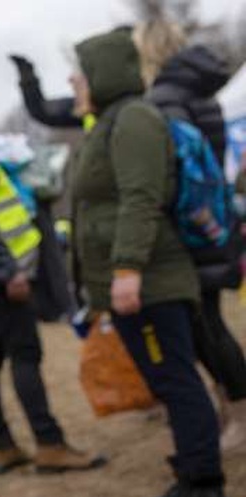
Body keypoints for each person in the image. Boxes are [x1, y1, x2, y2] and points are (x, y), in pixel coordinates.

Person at [71, 29, 225, 497]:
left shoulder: (134, 118)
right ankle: (192, 470)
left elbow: (141, 197)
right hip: (142, 279)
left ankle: (203, 483)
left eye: (81, 75)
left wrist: (127, 270)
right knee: (168, 379)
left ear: (103, 75)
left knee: (175, 379)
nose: (74, 84)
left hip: (152, 280)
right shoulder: (111, 120)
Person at [0, 88, 106, 475]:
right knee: (25, 357)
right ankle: (49, 444)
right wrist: (9, 271)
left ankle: (2, 446)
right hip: (2, 278)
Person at [144, 39, 246, 455]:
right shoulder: (200, 96)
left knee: (207, 329)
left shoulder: (166, 101)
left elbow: (176, 174)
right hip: (213, 227)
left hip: (190, 233)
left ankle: (239, 415)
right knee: (209, 326)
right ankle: (232, 410)